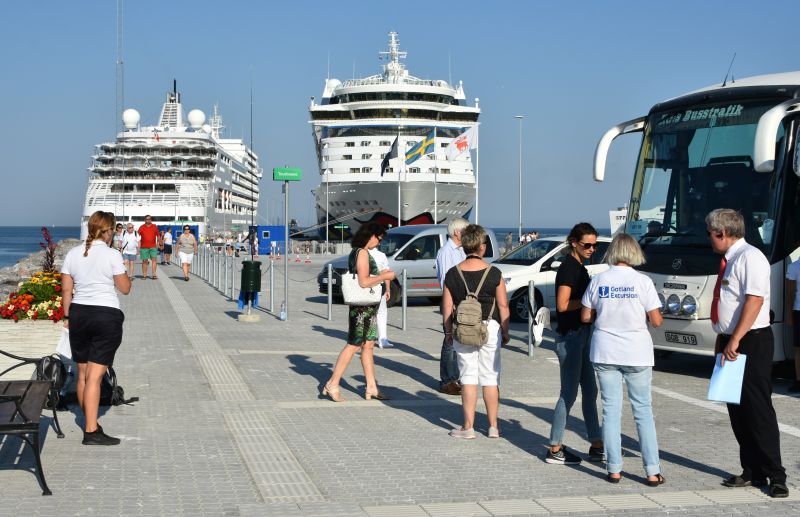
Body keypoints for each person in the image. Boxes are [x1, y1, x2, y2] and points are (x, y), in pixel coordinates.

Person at [706, 209, 788, 498]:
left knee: (757, 409)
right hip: (730, 339)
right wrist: (724, 337)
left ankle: (776, 475)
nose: (710, 240)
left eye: (710, 234)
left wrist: (735, 339)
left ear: (723, 233)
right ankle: (752, 470)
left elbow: (754, 301)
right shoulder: (730, 259)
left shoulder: (750, 257)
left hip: (750, 341)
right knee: (737, 410)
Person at [581, 233, 664, 485]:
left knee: (610, 410)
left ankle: (614, 468)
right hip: (636, 352)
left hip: (605, 351)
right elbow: (657, 320)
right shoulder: (643, 281)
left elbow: (585, 316)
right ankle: (651, 470)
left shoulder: (599, 280)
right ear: (634, 253)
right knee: (643, 412)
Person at [60, 211, 131, 445]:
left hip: (79, 313)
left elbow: (66, 290)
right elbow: (125, 288)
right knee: (95, 377)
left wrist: (67, 316)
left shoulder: (72, 253)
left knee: (82, 374)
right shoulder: (112, 254)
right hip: (105, 315)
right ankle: (91, 431)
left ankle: (88, 420)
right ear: (109, 231)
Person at [442, 224, 510, 439]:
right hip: (490, 327)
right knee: (490, 377)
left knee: (468, 376)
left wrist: (448, 334)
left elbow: (446, 308)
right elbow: (503, 306)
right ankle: (493, 427)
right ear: (482, 247)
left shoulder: (453, 274)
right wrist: (506, 332)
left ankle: (468, 427)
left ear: (463, 246)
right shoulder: (494, 273)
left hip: (463, 328)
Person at [546, 222, 604, 465]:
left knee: (590, 391)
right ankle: (554, 448)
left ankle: (596, 443)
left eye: (594, 245)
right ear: (574, 243)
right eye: (586, 245)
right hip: (570, 336)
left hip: (582, 336)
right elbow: (562, 305)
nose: (592, 249)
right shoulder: (569, 268)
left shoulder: (581, 266)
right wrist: (589, 301)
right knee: (568, 394)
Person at [322, 223, 396, 402]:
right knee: (354, 344)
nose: (378, 242)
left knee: (369, 344)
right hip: (361, 309)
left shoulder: (359, 252)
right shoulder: (362, 253)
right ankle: (332, 383)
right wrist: (384, 277)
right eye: (378, 238)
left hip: (369, 307)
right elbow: (363, 281)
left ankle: (371, 387)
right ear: (370, 236)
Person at [435, 217, 468, 395]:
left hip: (461, 301)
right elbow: (446, 281)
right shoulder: (447, 252)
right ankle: (448, 380)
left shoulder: (460, 250)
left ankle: (456, 377)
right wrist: (453, 303)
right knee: (450, 341)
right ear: (457, 232)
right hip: (453, 301)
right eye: (466, 230)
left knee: (459, 341)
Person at [369, 244, 393, 348]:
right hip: (379, 286)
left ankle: (368, 338)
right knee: (381, 313)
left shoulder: (361, 254)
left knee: (369, 313)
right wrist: (388, 289)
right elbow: (386, 272)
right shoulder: (381, 255)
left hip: (365, 287)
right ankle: (383, 339)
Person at [786, 254, 800, 392]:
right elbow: (789, 293)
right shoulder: (794, 266)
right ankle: (798, 381)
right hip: (799, 310)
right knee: (798, 349)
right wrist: (789, 315)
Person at [137, 215, 160, 279]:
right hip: (144, 247)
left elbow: (158, 236)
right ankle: (144, 275)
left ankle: (154, 275)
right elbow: (137, 236)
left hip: (153, 247)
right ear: (145, 220)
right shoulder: (142, 227)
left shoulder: (154, 227)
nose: (148, 220)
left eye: (149, 219)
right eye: (147, 219)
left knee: (154, 260)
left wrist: (159, 244)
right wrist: (137, 246)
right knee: (145, 261)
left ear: (151, 220)